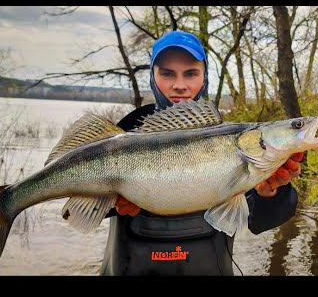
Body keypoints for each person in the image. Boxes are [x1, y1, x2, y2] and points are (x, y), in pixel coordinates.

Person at [100, 30, 303, 276]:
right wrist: (112, 201)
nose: (180, 85)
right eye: (167, 73)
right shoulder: (126, 132)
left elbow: (261, 221)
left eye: (191, 73)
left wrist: (271, 193)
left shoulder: (234, 140)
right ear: (153, 76)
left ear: (204, 76)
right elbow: (86, 203)